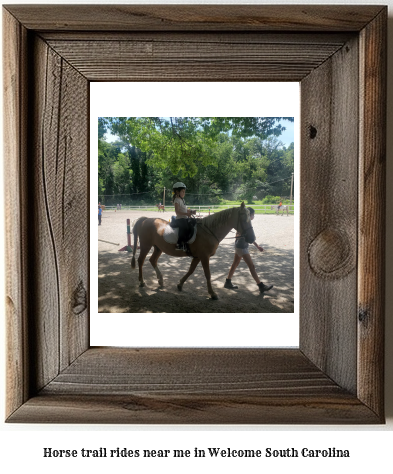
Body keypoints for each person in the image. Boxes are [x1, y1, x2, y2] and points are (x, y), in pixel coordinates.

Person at [224, 207, 273, 294]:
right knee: (251, 266)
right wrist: (240, 235)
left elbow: (250, 238)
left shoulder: (246, 224)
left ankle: (228, 282)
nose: (253, 216)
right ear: (249, 215)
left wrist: (257, 246)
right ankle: (261, 286)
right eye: (253, 214)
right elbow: (240, 234)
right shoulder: (244, 224)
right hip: (242, 247)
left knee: (235, 264)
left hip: (240, 246)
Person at [172, 182, 193, 251]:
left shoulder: (182, 200)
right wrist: (186, 214)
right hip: (180, 219)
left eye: (184, 192)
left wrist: (190, 212)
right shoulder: (177, 200)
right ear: (177, 192)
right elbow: (177, 212)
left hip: (185, 217)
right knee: (185, 227)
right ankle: (179, 244)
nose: (184, 193)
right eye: (183, 191)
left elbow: (184, 209)